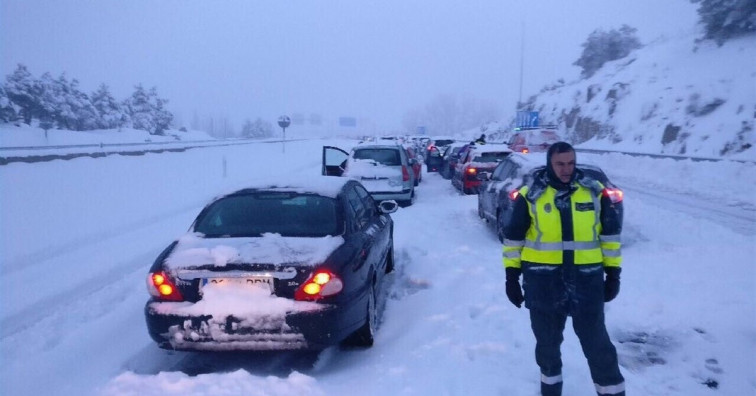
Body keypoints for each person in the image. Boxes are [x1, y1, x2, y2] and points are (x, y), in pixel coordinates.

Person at [502, 142, 625, 396]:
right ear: (550, 163)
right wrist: (511, 277)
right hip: (543, 282)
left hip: (587, 281)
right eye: (560, 164)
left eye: (570, 163)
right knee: (547, 348)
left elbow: (610, 237)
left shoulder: (594, 192)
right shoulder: (531, 195)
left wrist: (613, 274)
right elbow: (513, 239)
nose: (566, 169)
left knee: (598, 346)